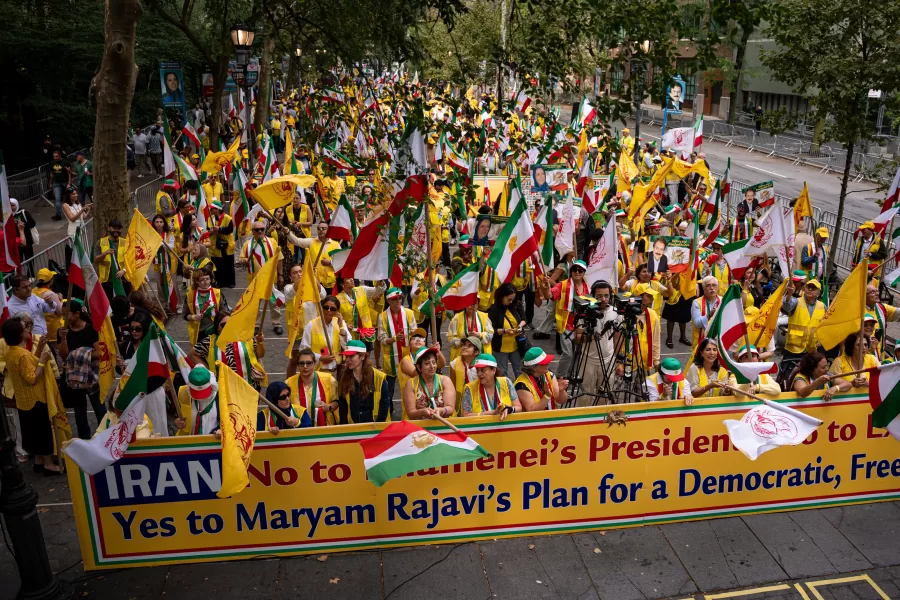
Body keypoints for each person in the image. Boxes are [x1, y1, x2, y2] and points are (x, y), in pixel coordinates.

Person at [1, 318, 60, 474]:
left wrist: (39, 349)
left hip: (24, 400)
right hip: (35, 400)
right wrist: (42, 361)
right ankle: (48, 464)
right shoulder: (21, 354)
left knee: (33, 433)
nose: (28, 329)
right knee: (42, 432)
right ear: (20, 334)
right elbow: (33, 378)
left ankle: (39, 461)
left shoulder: (12, 351)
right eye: (24, 327)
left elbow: (29, 364)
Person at [58, 299, 106, 439]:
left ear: (77, 314)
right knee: (79, 413)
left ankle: (103, 437)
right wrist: (63, 339)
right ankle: (84, 440)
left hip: (92, 376)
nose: (63, 318)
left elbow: (99, 354)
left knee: (99, 408)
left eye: (66, 315)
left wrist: (80, 355)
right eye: (62, 315)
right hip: (75, 379)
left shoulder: (91, 329)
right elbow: (64, 355)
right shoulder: (62, 332)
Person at [190, 309, 268, 391]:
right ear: (217, 327)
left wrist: (260, 342)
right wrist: (208, 371)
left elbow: (260, 355)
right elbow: (192, 354)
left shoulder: (246, 337)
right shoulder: (209, 342)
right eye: (224, 324)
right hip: (224, 391)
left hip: (248, 387)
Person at [538, 258, 590, 378]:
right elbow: (550, 295)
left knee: (579, 352)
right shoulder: (563, 285)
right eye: (575, 270)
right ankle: (561, 376)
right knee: (568, 354)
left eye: (580, 270)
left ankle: (572, 374)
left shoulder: (588, 286)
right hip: (567, 324)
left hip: (582, 324)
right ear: (571, 271)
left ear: (584, 273)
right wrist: (545, 287)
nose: (577, 272)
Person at [577, 281, 621, 405]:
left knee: (605, 396)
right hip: (587, 361)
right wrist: (589, 337)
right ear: (592, 296)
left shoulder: (616, 312)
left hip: (608, 361)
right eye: (599, 296)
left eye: (606, 296)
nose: (603, 299)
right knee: (585, 397)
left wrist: (618, 361)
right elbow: (577, 337)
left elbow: (617, 339)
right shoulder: (585, 313)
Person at [239, 220, 284, 334]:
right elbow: (241, 259)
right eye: (256, 229)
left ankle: (276, 323)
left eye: (262, 229)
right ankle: (256, 324)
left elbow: (279, 259)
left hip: (270, 278)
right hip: (254, 279)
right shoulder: (247, 244)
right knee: (255, 303)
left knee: (273, 303)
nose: (259, 231)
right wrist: (244, 260)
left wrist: (280, 275)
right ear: (252, 231)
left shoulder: (272, 242)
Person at [333, 340, 391, 424]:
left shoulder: (380, 377)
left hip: (375, 426)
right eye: (346, 356)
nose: (347, 360)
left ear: (362, 357)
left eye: (351, 356)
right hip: (353, 428)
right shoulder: (343, 376)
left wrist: (378, 427)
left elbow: (385, 405)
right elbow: (343, 406)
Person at [377, 287, 417, 403]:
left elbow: (415, 333)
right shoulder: (382, 316)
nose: (398, 301)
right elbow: (381, 338)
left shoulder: (409, 313)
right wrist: (394, 339)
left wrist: (411, 336)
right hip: (390, 358)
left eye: (400, 298)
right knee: (389, 389)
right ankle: (389, 410)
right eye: (395, 299)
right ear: (389, 301)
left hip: (407, 357)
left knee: (410, 386)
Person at [285, 348, 338, 427]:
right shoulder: (289, 383)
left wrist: (328, 407)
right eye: (301, 363)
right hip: (299, 429)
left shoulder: (329, 380)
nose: (305, 366)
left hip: (325, 428)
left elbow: (338, 401)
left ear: (315, 364)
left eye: (309, 363)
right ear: (297, 365)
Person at [402, 346, 456, 420]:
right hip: (420, 428)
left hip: (444, 426)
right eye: (427, 363)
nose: (432, 366)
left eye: (434, 362)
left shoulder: (445, 380)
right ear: (418, 367)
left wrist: (441, 410)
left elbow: (450, 408)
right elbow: (411, 413)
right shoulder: (411, 383)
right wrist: (422, 412)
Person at [301, 296, 351, 373]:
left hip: (337, 369)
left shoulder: (340, 323)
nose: (328, 310)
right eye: (326, 307)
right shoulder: (311, 325)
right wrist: (320, 357)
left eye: (332, 309)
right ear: (321, 308)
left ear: (337, 311)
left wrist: (341, 327)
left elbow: (347, 346)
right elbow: (303, 350)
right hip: (318, 370)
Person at [7, 274, 62, 338]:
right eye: (25, 287)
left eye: (29, 285)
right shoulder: (10, 308)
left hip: (44, 338)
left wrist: (50, 303)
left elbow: (48, 308)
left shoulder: (32, 297)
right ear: (16, 290)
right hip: (29, 343)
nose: (29, 289)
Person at [488, 283, 525, 378]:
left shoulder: (516, 304)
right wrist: (505, 331)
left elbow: (524, 319)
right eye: (509, 299)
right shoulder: (493, 309)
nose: (511, 302)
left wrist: (520, 326)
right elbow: (490, 330)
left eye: (513, 299)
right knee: (502, 374)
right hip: (500, 348)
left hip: (516, 345)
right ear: (501, 297)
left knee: (520, 371)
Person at [335, 277, 385, 346]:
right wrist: (345, 326)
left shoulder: (362, 289)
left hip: (366, 330)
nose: (352, 279)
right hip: (351, 333)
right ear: (342, 284)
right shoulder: (337, 299)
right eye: (348, 278)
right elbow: (336, 318)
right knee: (355, 355)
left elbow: (377, 291)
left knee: (366, 354)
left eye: (351, 277)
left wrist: (380, 280)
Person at [183, 268, 226, 346]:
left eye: (208, 279)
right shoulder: (190, 295)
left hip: (214, 330)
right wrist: (193, 317)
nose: (206, 281)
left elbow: (225, 312)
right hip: (198, 332)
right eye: (202, 280)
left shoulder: (218, 293)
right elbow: (185, 315)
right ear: (196, 281)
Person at [174, 366, 221, 437]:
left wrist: (221, 430)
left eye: (203, 392)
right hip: (191, 443)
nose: (201, 397)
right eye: (196, 392)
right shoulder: (185, 394)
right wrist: (177, 422)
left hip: (213, 443)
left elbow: (231, 422)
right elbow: (180, 418)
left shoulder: (222, 396)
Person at [94, 219, 130, 300]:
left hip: (123, 280)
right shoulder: (100, 242)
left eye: (119, 228)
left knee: (124, 304)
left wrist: (123, 270)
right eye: (114, 228)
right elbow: (96, 260)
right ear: (109, 228)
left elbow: (131, 261)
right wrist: (105, 253)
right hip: (106, 281)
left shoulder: (126, 242)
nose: (116, 230)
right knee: (108, 306)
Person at [206, 200, 236, 288]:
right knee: (217, 265)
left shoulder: (227, 218)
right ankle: (219, 282)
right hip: (215, 245)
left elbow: (229, 230)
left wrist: (220, 229)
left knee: (228, 264)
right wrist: (211, 231)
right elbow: (208, 229)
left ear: (217, 209)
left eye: (213, 208)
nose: (211, 210)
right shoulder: (210, 218)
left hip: (227, 245)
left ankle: (230, 282)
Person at [449, 336, 482, 415]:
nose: (464, 347)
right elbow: (453, 384)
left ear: (476, 352)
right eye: (464, 345)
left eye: (469, 346)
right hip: (461, 398)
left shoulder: (481, 364)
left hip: (478, 397)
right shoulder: (454, 363)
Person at [691, 276, 721, 349]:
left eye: (714, 285)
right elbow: (697, 323)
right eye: (708, 285)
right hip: (702, 340)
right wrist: (709, 315)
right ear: (704, 289)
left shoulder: (722, 301)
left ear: (717, 288)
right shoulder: (696, 302)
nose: (711, 288)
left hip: (718, 340)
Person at [48, 149, 71, 221]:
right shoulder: (52, 163)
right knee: (58, 199)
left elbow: (69, 173)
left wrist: (69, 183)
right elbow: (52, 173)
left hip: (65, 182)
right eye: (54, 156)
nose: (55, 158)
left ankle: (71, 213)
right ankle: (58, 215)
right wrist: (51, 183)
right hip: (56, 183)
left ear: (60, 156)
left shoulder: (65, 162)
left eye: (56, 156)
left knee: (68, 198)